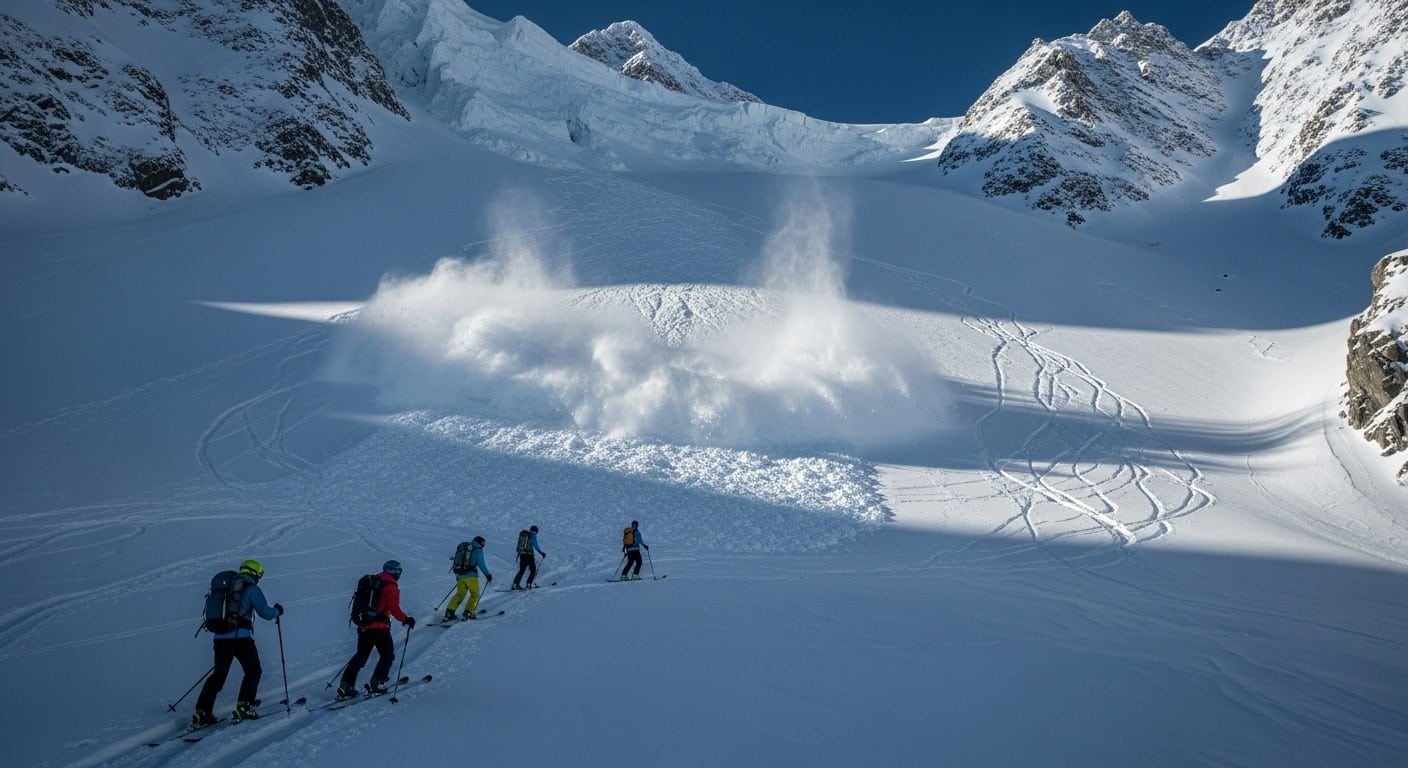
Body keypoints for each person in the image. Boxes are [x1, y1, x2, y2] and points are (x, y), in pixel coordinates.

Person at [193, 559, 283, 726]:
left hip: (219, 639)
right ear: (255, 574)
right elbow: (265, 613)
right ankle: (244, 707)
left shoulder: (225, 589)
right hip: (241, 639)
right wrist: (278, 611)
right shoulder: (251, 589)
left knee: (218, 676)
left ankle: (202, 712)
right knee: (253, 671)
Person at [338, 560, 414, 698]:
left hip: (364, 626)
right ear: (395, 572)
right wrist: (406, 619)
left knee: (360, 656)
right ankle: (377, 683)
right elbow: (394, 608)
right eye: (399, 571)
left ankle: (346, 685)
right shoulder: (391, 586)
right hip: (380, 628)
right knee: (387, 655)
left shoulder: (373, 581)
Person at [443, 536, 492, 621]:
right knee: (475, 594)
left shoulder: (466, 547)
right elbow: (481, 564)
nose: (483, 546)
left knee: (460, 594)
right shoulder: (477, 550)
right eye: (483, 543)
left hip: (459, 575)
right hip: (470, 576)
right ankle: (468, 613)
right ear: (479, 542)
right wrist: (487, 575)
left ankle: (449, 613)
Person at [512, 525, 547, 590]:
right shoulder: (532, 535)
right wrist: (541, 553)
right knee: (533, 569)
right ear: (536, 531)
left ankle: (515, 584)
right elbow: (535, 545)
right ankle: (529, 584)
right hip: (529, 555)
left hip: (522, 555)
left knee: (522, 570)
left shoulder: (523, 535)